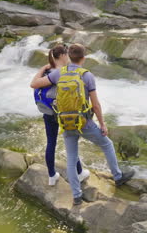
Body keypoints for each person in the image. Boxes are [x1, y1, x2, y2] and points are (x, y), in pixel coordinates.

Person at [30, 43, 134, 205]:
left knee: (71, 158)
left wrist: (43, 68)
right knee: (106, 144)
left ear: (69, 57)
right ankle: (118, 177)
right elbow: (96, 105)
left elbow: (35, 84)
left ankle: (77, 196)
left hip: (66, 122)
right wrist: (102, 124)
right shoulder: (87, 75)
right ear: (84, 58)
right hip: (83, 122)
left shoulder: (58, 73)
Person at [33, 44, 90, 186]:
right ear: (63, 56)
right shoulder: (62, 72)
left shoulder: (48, 71)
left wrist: (43, 68)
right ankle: (79, 173)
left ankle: (52, 176)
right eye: (67, 54)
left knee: (51, 142)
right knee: (71, 144)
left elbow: (33, 84)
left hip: (48, 111)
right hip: (64, 113)